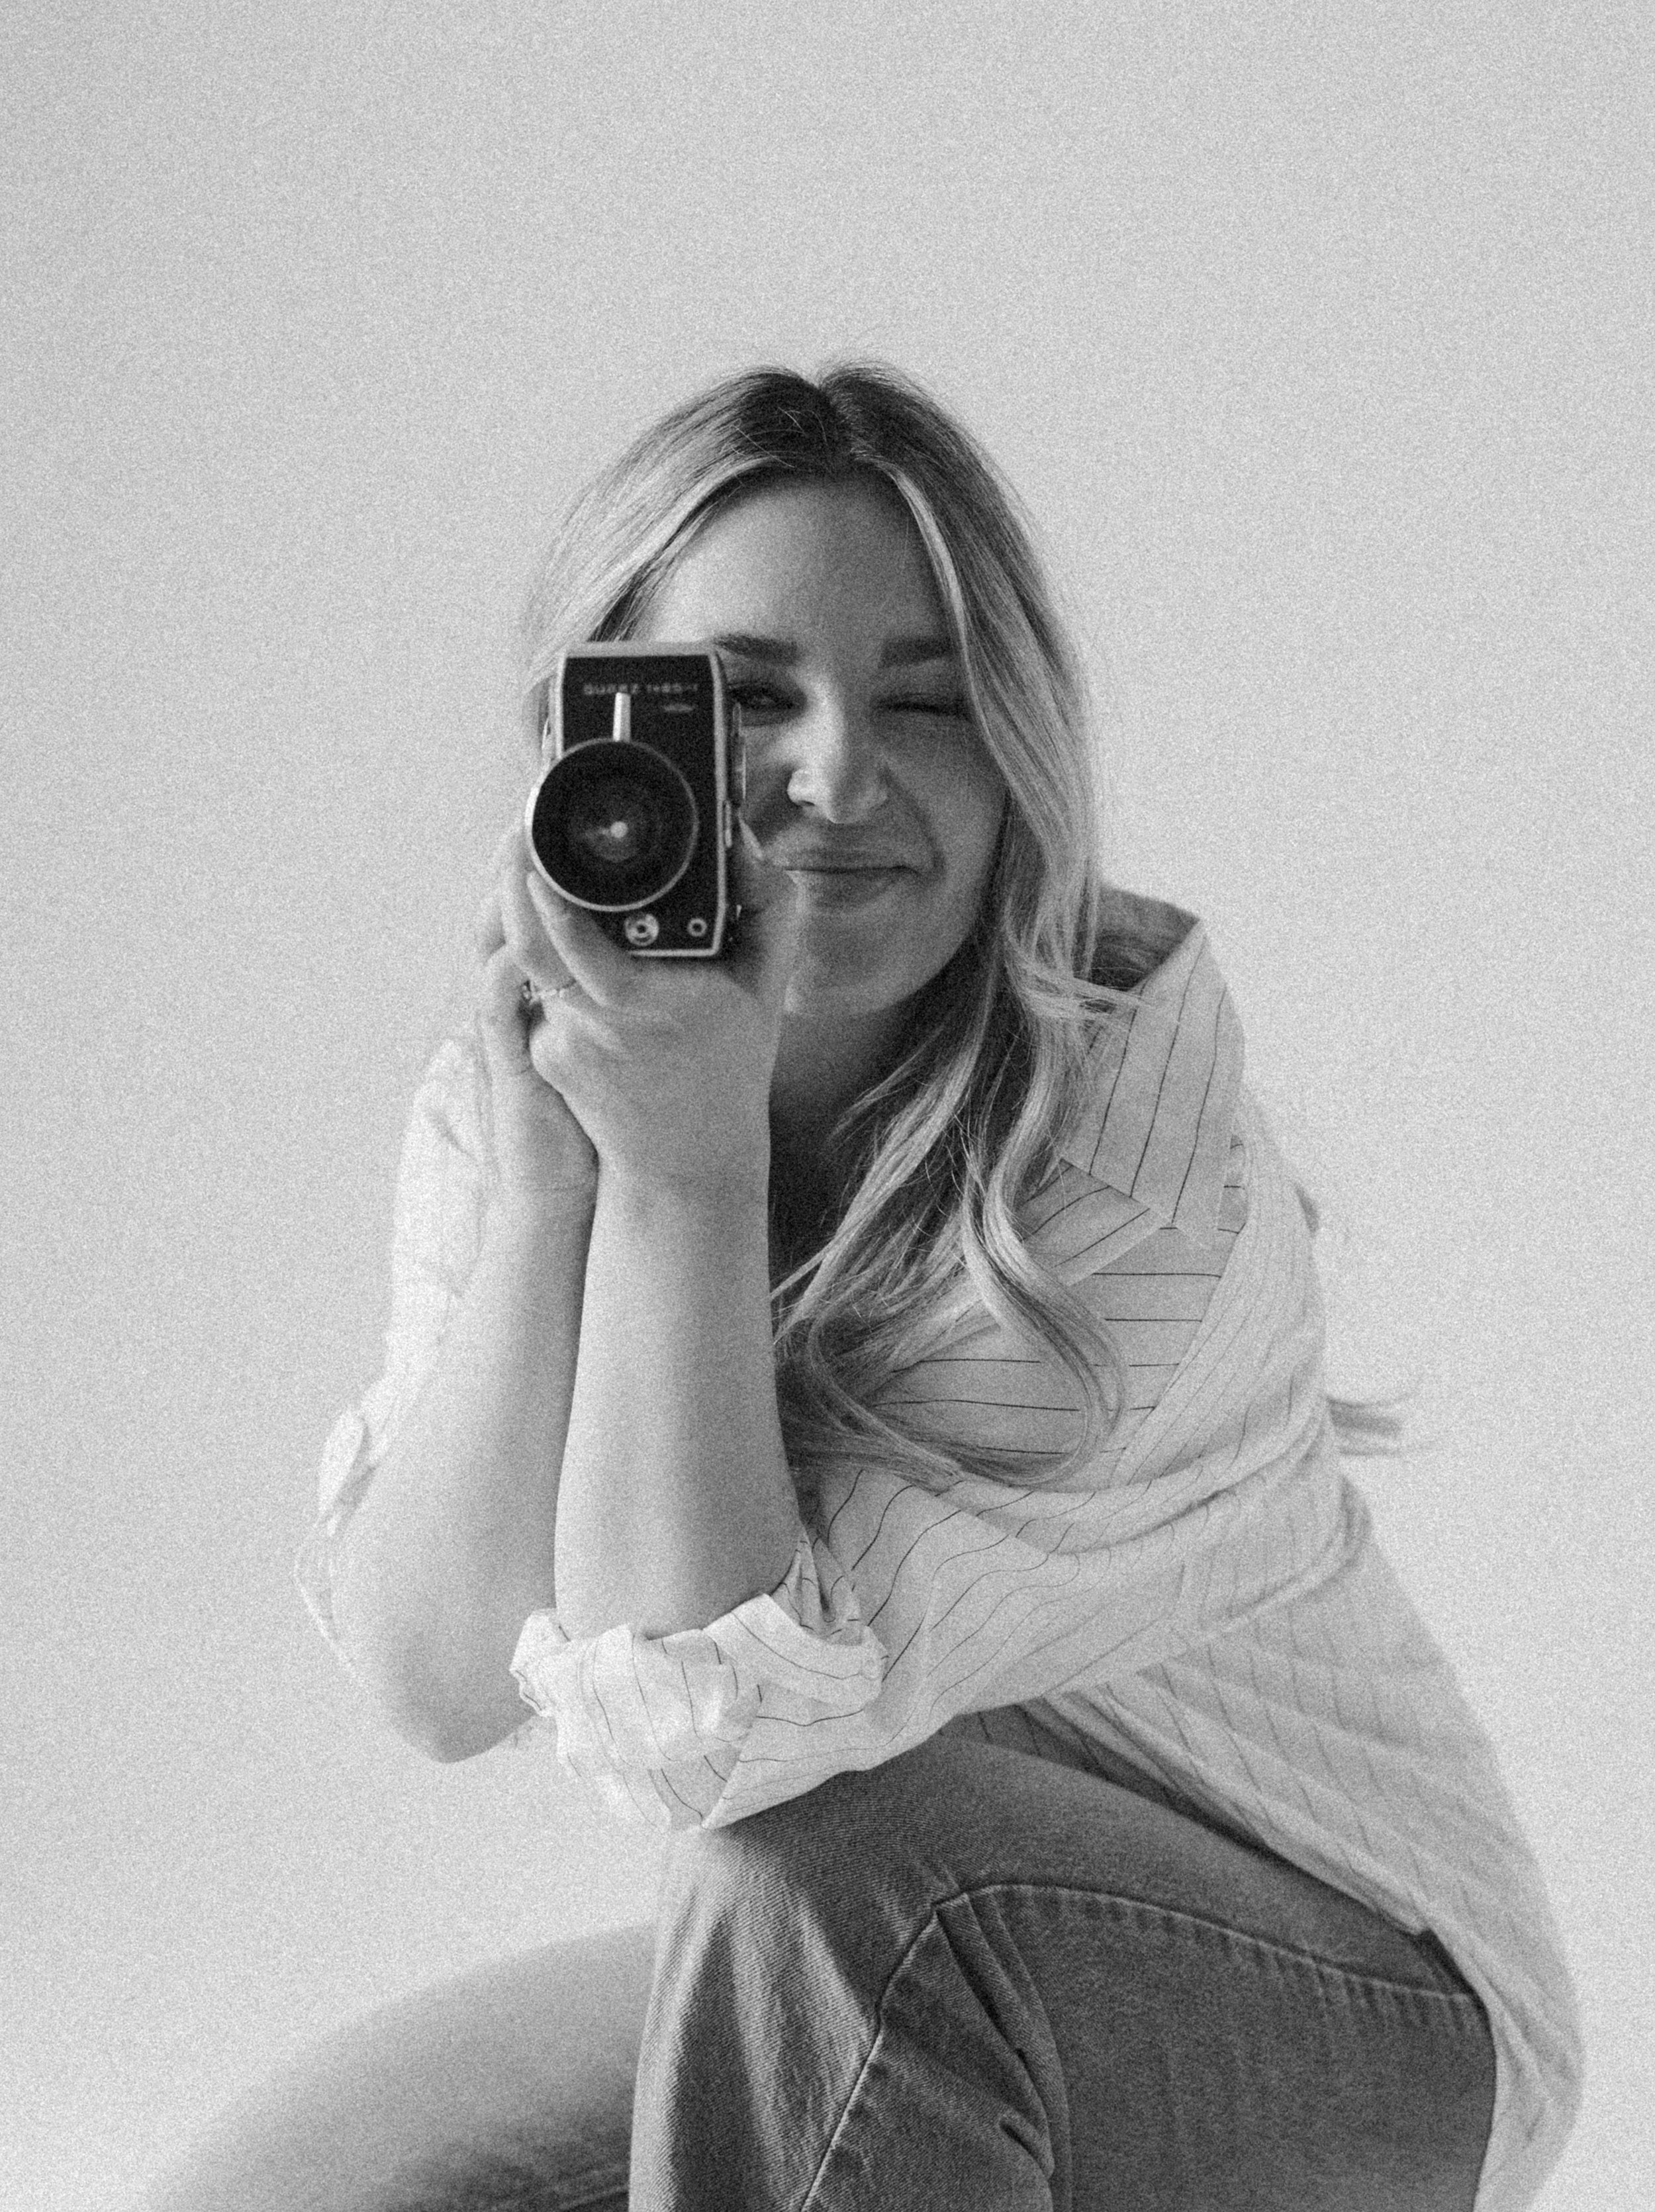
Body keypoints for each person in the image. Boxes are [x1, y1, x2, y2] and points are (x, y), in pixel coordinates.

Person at [153, 365, 1580, 2212]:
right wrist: (552, 1188)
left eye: (928, 701)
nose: (838, 778)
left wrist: (683, 1172)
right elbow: (435, 1675)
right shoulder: (555, 1076)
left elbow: (729, 1755)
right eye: (748, 701)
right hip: (868, 1950)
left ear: (1018, 753)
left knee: (827, 1879)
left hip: (1358, 2009)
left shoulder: (1128, 1181)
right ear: (600, 744)